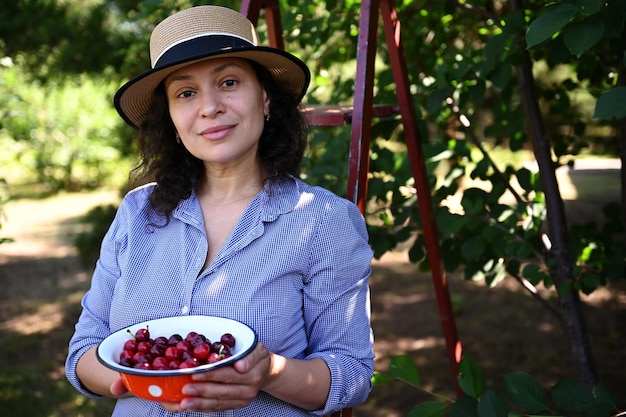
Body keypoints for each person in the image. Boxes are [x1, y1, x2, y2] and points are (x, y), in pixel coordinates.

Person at [65, 4, 374, 417]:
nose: (209, 107)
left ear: (264, 98)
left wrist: (270, 373)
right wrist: (134, 379)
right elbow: (84, 350)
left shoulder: (322, 221)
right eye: (186, 93)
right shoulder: (136, 213)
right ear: (173, 120)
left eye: (228, 82)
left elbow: (352, 372)